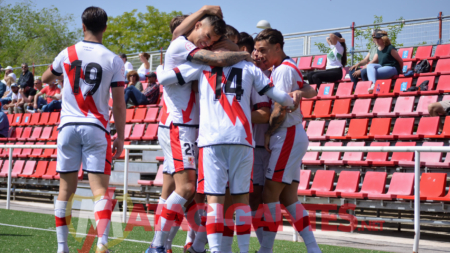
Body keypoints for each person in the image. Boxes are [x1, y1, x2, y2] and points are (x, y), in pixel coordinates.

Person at [156, 37, 296, 253]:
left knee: (214, 200)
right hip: (242, 139)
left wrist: (157, 68)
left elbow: (164, 79)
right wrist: (290, 101)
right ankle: (241, 249)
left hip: (211, 140)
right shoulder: (249, 66)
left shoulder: (202, 65)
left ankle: (214, 250)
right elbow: (279, 96)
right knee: (240, 199)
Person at [147, 6, 253, 253]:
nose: (210, 42)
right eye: (209, 37)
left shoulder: (198, 57)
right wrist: (242, 54)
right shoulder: (185, 49)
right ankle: (158, 245)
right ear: (196, 26)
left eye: (215, 40)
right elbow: (165, 77)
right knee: (183, 188)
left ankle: (191, 244)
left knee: (196, 193)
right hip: (179, 126)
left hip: (196, 130)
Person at [41, 6, 126, 253]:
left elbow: (46, 77)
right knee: (99, 190)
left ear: (82, 26)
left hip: (67, 126)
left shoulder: (67, 53)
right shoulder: (113, 59)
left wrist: (61, 78)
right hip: (96, 127)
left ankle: (62, 248)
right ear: (105, 28)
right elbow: (119, 104)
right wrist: (120, 135)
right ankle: (101, 244)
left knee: (65, 190)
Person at [254, 28, 321, 253]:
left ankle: (266, 249)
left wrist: (268, 133)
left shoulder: (282, 70)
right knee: (288, 197)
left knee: (269, 194)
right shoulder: (286, 66)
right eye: (256, 50)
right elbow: (308, 90)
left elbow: (280, 107)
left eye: (263, 50)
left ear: (278, 47)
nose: (259, 54)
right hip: (292, 134)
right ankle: (313, 248)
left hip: (287, 134)